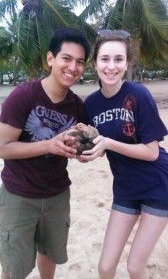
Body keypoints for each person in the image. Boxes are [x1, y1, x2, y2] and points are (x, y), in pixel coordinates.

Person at [0, 27, 90, 279]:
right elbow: (2, 147)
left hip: (57, 195)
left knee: (49, 253)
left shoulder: (77, 106)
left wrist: (82, 152)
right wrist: (48, 145)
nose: (73, 67)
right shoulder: (23, 96)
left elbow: (81, 147)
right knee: (14, 266)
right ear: (51, 59)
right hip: (19, 195)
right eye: (66, 58)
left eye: (80, 62)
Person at [81, 30, 168, 279]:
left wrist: (108, 143)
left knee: (134, 267)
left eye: (118, 59)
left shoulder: (138, 94)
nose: (111, 66)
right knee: (105, 267)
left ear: (127, 63)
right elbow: (97, 146)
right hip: (126, 189)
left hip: (157, 185)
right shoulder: (91, 104)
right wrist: (84, 151)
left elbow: (152, 153)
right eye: (105, 59)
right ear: (95, 63)